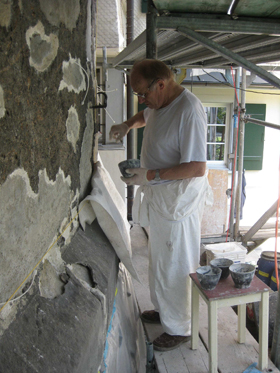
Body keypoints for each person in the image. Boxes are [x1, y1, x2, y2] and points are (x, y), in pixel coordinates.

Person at [109, 59, 212, 352]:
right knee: (160, 261)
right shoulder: (157, 103)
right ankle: (165, 312)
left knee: (176, 264)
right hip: (162, 198)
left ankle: (180, 328)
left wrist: (149, 175)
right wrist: (128, 124)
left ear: (162, 84)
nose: (142, 100)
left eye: (143, 93)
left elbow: (197, 168)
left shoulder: (189, 111)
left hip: (179, 203)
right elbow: (146, 114)